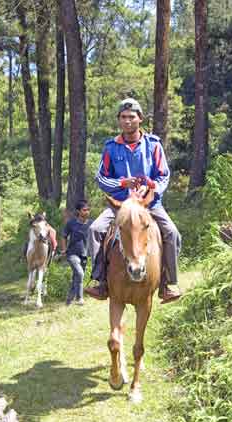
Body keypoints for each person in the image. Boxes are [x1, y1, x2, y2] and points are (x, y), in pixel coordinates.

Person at [84, 98, 181, 304]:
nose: (127, 121)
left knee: (172, 233)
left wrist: (151, 187)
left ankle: (168, 283)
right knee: (94, 229)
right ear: (119, 120)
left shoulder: (153, 145)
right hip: (120, 205)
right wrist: (121, 183)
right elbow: (100, 177)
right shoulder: (111, 147)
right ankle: (99, 280)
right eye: (123, 117)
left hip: (149, 205)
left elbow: (163, 175)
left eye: (131, 117)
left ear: (140, 119)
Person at [61, 200, 92, 306]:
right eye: (84, 210)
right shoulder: (71, 223)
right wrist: (64, 249)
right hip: (72, 254)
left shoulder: (91, 224)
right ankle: (79, 298)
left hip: (84, 255)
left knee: (77, 277)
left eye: (88, 209)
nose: (87, 212)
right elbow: (64, 236)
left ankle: (68, 300)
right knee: (80, 274)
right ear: (78, 211)